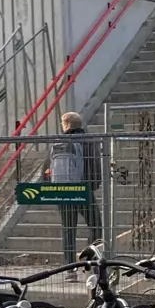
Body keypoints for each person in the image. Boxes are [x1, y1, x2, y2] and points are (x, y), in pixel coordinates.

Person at [49, 111, 104, 263]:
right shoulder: (89, 140)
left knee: (68, 229)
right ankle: (92, 260)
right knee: (95, 224)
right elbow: (94, 164)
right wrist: (93, 185)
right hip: (83, 189)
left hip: (63, 191)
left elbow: (49, 168)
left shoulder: (59, 141)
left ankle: (70, 268)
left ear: (66, 124)